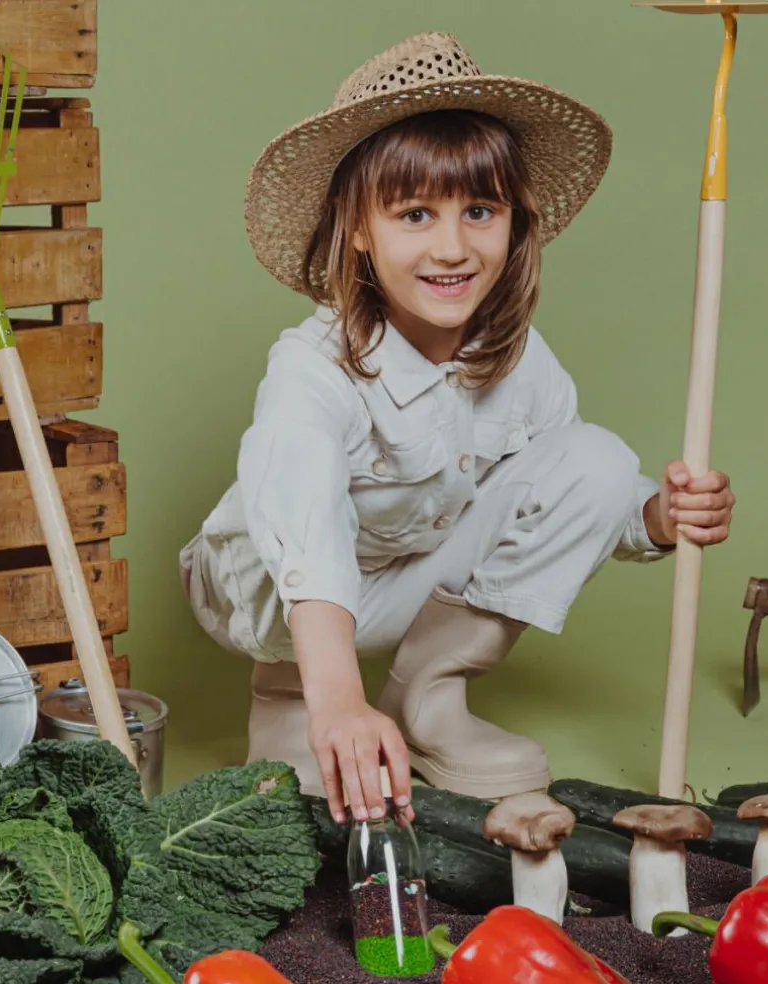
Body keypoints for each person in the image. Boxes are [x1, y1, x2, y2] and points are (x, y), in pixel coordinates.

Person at [179, 31, 735, 829]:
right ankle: (295, 699)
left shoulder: (520, 359)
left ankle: (426, 697)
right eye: (415, 214)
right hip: (266, 597)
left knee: (601, 461)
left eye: (479, 211)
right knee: (310, 564)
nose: (452, 248)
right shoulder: (315, 365)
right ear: (358, 228)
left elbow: (562, 492)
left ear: (515, 221)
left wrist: (659, 517)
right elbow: (302, 528)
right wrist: (337, 699)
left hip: (402, 575)